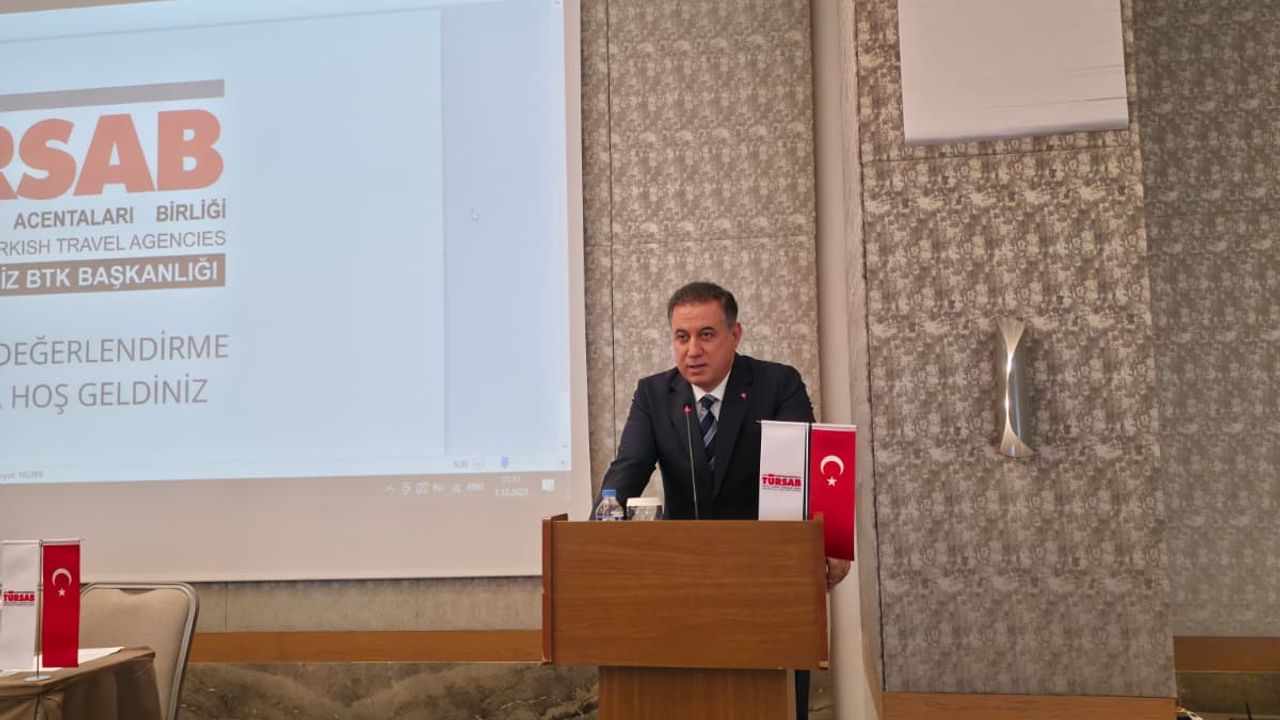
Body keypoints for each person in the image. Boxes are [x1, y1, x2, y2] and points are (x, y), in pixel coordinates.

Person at [597, 281, 851, 718]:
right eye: (681, 337)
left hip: (769, 581)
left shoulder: (777, 384)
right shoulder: (654, 394)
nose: (692, 350)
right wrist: (598, 532)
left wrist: (835, 541)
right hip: (684, 582)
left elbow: (812, 466)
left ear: (735, 335)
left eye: (706, 335)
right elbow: (628, 469)